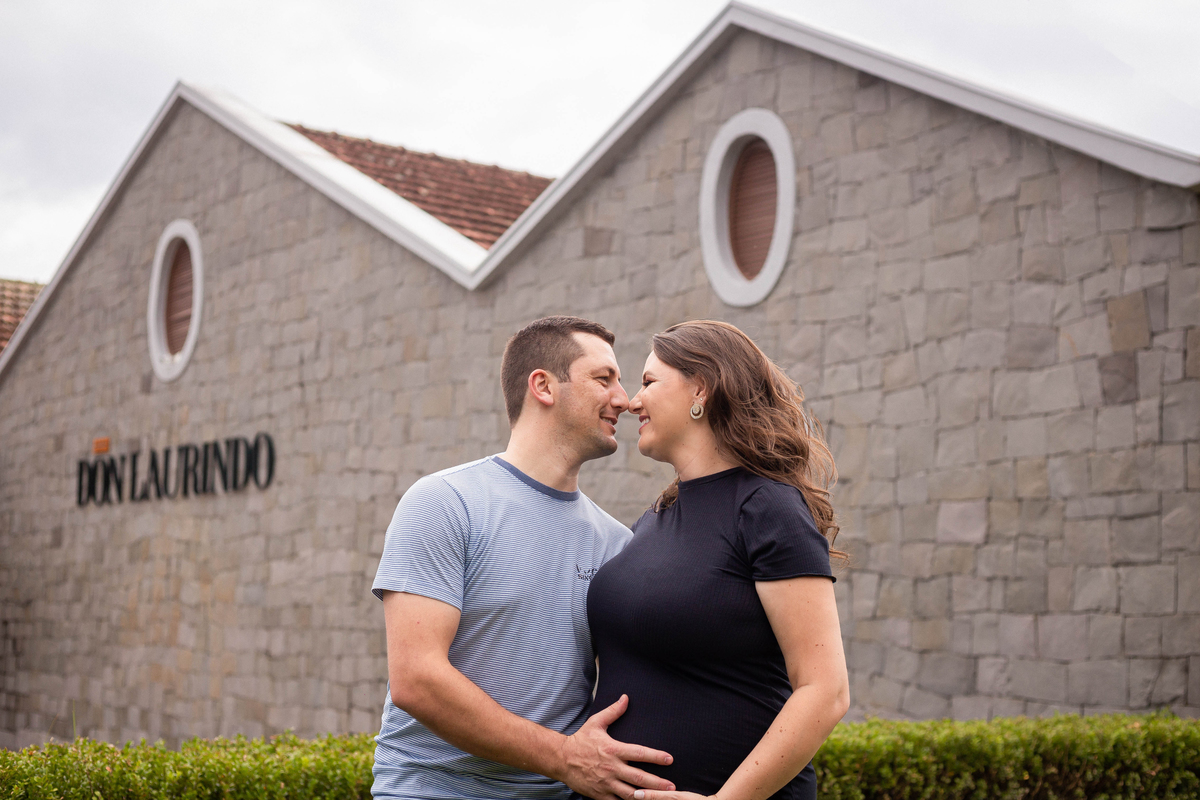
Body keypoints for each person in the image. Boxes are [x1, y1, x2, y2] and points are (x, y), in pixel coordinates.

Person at [370, 316, 676, 800]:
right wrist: (565, 759)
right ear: (543, 386)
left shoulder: (618, 542)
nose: (624, 399)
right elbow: (416, 679)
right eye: (604, 379)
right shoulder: (445, 502)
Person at [586, 320, 850, 800]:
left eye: (648, 382)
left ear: (701, 389)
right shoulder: (658, 516)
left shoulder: (768, 507)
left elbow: (825, 690)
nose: (630, 401)